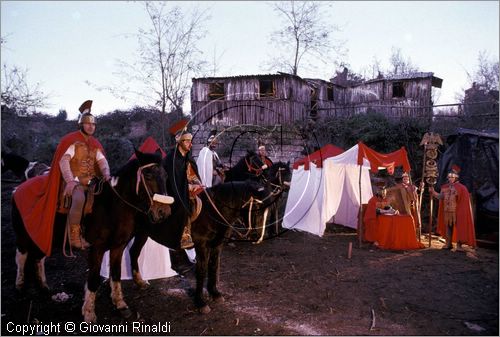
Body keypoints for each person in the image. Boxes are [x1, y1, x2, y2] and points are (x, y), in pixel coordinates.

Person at [59, 100, 111, 249]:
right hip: (74, 181)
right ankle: (74, 236)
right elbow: (64, 161)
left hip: (90, 181)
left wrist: (107, 174)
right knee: (79, 197)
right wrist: (69, 180)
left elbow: (102, 162)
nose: (91, 126)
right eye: (88, 124)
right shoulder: (73, 142)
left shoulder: (95, 144)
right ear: (81, 124)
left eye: (93, 124)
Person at [163, 126, 203, 249]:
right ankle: (183, 237)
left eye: (191, 142)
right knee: (183, 205)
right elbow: (173, 180)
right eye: (188, 141)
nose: (190, 145)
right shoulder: (171, 158)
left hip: (186, 188)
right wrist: (189, 187)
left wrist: (197, 183)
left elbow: (191, 174)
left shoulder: (187, 157)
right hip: (172, 190)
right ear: (180, 142)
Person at [429, 166, 476, 250]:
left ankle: (459, 245)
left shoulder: (461, 188)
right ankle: (448, 244)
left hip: (457, 211)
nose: (450, 178)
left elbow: (463, 201)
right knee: (448, 227)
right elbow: (440, 197)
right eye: (449, 177)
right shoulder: (445, 187)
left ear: (456, 177)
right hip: (447, 211)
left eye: (452, 177)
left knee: (459, 227)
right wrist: (433, 192)